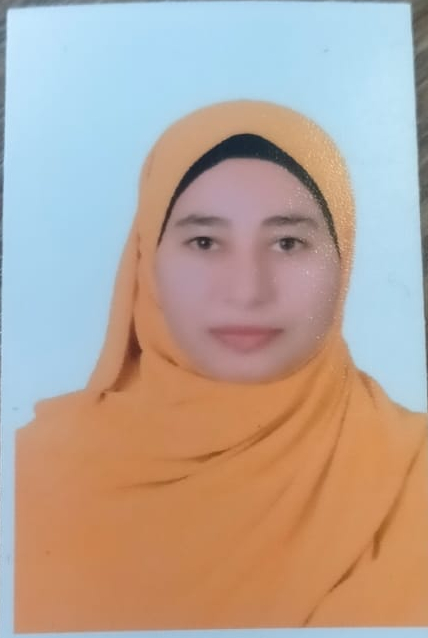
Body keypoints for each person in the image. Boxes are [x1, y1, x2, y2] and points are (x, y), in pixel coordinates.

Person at [14, 99, 428, 632]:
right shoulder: (29, 473)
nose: (246, 291)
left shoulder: (413, 470)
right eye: (205, 242)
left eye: (288, 242)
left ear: (343, 256)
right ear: (147, 260)